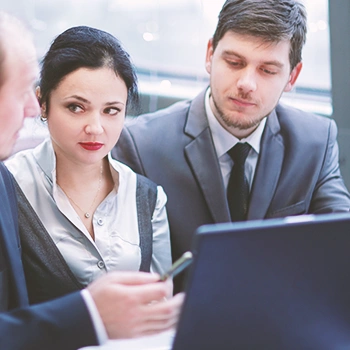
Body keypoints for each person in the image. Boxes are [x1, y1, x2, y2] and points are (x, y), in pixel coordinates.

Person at [113, 0, 350, 294]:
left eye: (267, 70)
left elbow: (342, 243)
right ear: (210, 54)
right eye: (234, 62)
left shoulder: (315, 140)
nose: (246, 83)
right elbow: (130, 276)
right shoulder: (140, 145)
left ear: (292, 77)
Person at [0, 11, 183, 350]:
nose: (95, 128)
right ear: (42, 103)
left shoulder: (147, 197)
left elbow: (157, 311)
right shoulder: (8, 184)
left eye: (111, 110)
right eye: (76, 107)